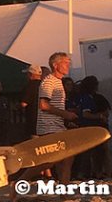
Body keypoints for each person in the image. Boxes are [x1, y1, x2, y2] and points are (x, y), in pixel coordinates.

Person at [37, 52, 77, 182]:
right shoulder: (49, 81)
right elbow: (43, 105)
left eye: (69, 63)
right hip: (49, 127)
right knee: (53, 160)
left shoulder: (58, 81)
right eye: (65, 63)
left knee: (63, 159)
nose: (68, 65)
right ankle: (21, 180)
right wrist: (66, 114)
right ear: (55, 65)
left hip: (56, 126)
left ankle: (64, 186)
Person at [73, 75, 111, 179]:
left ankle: (90, 173)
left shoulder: (81, 97)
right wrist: (100, 116)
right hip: (91, 128)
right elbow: (86, 114)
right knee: (94, 151)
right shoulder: (87, 98)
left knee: (91, 151)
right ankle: (92, 173)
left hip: (86, 127)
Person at [20, 64, 43, 142]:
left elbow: (24, 104)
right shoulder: (46, 85)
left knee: (35, 145)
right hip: (46, 124)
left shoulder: (29, 86)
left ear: (31, 74)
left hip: (33, 123)